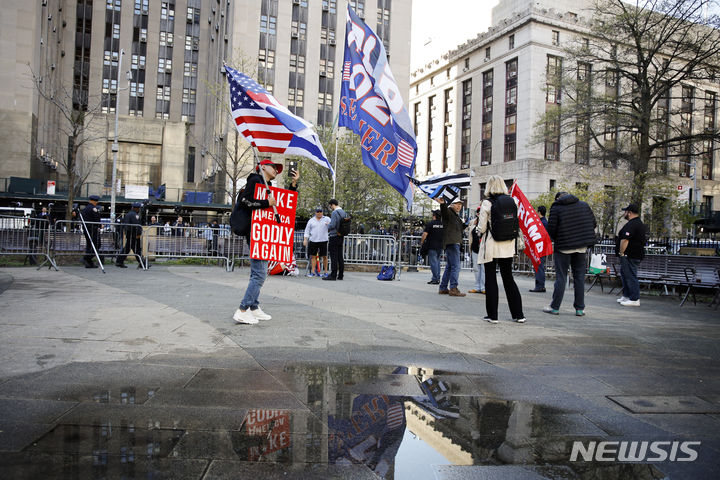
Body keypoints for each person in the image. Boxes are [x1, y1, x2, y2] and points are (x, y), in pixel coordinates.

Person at [232, 159, 299, 324]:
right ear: (262, 167)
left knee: (260, 272)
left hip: (261, 234)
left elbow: (283, 203)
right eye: (273, 167)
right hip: (256, 233)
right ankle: (243, 309)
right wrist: (266, 203)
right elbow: (245, 202)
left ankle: (254, 308)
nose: (276, 170)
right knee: (260, 274)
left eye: (277, 168)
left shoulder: (267, 186)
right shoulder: (255, 180)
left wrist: (293, 185)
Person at [476, 175, 524, 323]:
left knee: (491, 278)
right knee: (508, 278)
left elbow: (482, 227)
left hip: (491, 244)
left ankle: (493, 315)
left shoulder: (486, 203)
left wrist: (478, 231)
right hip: (508, 244)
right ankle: (518, 314)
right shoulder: (513, 201)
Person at [543, 192, 597, 317]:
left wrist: (559, 238)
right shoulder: (584, 205)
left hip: (564, 247)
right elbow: (593, 223)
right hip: (581, 247)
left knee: (561, 277)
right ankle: (579, 309)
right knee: (579, 278)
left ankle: (555, 307)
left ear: (558, 199)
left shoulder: (557, 207)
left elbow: (551, 228)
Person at [616, 203, 646, 307]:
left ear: (629, 213)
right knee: (625, 275)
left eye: (625, 212)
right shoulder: (636, 223)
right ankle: (627, 295)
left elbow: (625, 239)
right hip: (631, 254)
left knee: (630, 275)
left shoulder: (633, 224)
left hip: (630, 254)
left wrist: (622, 252)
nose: (624, 214)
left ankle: (634, 298)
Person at [436, 197, 466, 297]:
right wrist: (443, 204)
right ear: (451, 204)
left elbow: (459, 227)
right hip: (452, 242)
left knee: (450, 266)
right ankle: (453, 288)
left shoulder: (456, 216)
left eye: (460, 204)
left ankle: (443, 287)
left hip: (453, 242)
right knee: (456, 266)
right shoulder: (448, 212)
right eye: (457, 204)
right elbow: (444, 212)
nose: (459, 206)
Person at [323, 199, 348, 281]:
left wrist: (328, 225)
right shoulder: (343, 212)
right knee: (340, 256)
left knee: (333, 256)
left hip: (334, 236)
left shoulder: (334, 213)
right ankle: (340, 275)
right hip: (341, 235)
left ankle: (333, 275)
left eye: (330, 205)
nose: (330, 207)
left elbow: (333, 225)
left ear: (332, 204)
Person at [304, 207, 330, 277]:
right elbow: (307, 230)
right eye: (318, 212)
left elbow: (332, 226)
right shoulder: (311, 220)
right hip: (313, 240)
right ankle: (313, 272)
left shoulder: (327, 219)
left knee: (324, 256)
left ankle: (325, 272)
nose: (319, 213)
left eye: (320, 212)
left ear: (322, 212)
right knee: (313, 256)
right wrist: (305, 239)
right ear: (315, 213)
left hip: (323, 240)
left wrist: (329, 225)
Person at [115, 202, 143, 268]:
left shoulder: (128, 214)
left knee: (127, 249)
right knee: (137, 249)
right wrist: (138, 233)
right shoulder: (134, 215)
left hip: (130, 234)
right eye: (139, 208)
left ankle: (119, 261)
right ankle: (142, 263)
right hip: (134, 235)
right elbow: (136, 225)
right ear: (137, 208)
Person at [420, 210, 444, 285]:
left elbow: (424, 234)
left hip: (432, 246)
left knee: (433, 263)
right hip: (440, 246)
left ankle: (435, 279)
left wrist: (422, 242)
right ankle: (437, 278)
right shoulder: (443, 224)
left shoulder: (431, 224)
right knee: (437, 262)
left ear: (434, 216)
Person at [529, 205, 549, 292]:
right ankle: (541, 285)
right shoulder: (544, 222)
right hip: (542, 247)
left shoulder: (542, 223)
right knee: (540, 266)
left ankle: (539, 286)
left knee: (539, 266)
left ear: (539, 212)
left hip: (540, 247)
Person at [467, 207, 486, 294]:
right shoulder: (473, 222)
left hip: (484, 249)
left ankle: (483, 287)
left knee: (483, 269)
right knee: (476, 268)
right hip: (475, 248)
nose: (479, 214)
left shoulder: (487, 222)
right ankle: (477, 286)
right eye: (478, 212)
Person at [80, 195, 102, 268]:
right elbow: (96, 219)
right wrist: (99, 225)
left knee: (90, 245)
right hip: (92, 229)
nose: (97, 203)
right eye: (96, 201)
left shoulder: (86, 208)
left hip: (88, 229)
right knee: (96, 245)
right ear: (92, 201)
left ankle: (89, 263)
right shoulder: (93, 208)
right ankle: (86, 258)